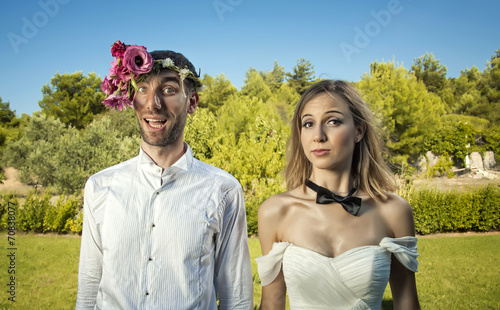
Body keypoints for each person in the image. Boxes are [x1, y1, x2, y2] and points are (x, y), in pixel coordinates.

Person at [75, 41, 253, 309]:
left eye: (168, 90)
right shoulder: (100, 187)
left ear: (192, 102)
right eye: (142, 89)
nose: (153, 103)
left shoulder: (224, 190)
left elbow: (236, 295)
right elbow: (89, 284)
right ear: (130, 98)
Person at [256, 80, 420, 309]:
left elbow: (407, 303)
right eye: (308, 123)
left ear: (359, 131)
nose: (319, 136)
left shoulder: (393, 211)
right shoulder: (275, 211)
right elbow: (272, 303)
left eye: (333, 121)